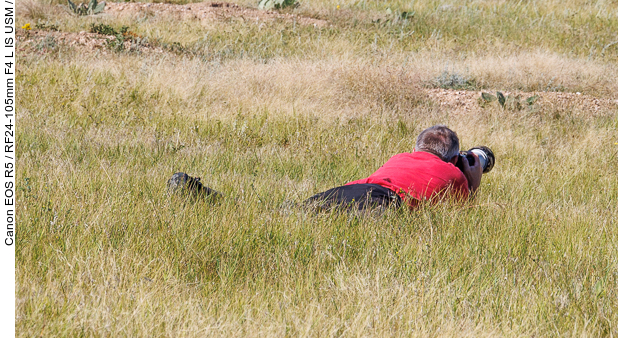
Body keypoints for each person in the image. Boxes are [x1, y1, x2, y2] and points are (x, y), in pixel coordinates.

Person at [167, 124, 484, 212]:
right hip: (383, 203)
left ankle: (199, 192)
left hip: (352, 189)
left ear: (416, 147)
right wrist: (472, 181)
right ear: (454, 158)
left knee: (284, 214)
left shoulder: (400, 158)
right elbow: (458, 210)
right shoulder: (455, 175)